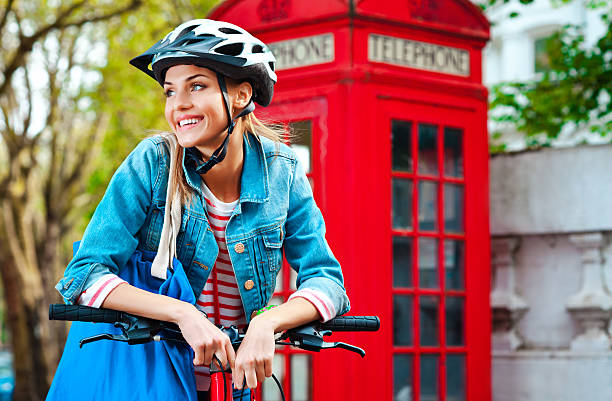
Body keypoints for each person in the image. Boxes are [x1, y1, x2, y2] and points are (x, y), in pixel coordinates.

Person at [54, 18, 349, 399]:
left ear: (241, 95)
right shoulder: (153, 163)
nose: (179, 105)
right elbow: (82, 275)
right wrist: (183, 313)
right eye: (170, 91)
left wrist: (267, 323)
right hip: (153, 376)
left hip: (235, 384)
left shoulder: (283, 172)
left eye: (197, 86)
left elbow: (327, 281)